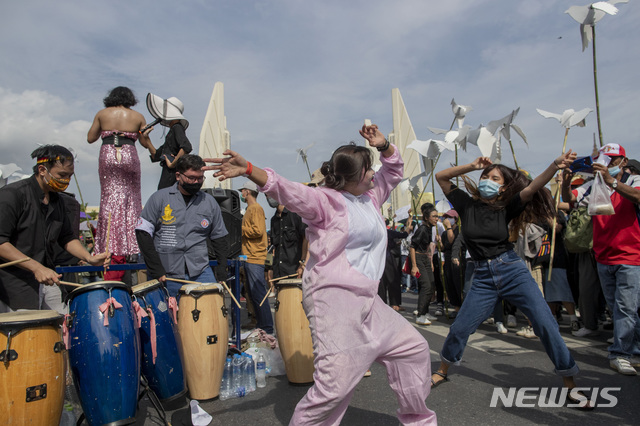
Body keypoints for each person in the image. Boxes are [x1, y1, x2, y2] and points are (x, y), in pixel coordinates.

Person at [204, 124, 436, 425]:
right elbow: (285, 188)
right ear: (354, 176)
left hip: (369, 301)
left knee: (413, 350)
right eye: (369, 169)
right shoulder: (325, 201)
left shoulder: (371, 196)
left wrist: (383, 146)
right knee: (334, 387)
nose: (373, 173)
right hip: (333, 300)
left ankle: (418, 419)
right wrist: (249, 169)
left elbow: (394, 169)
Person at [431, 152, 593, 410]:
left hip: (511, 271)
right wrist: (472, 166)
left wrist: (554, 164)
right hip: (482, 276)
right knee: (461, 328)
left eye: (494, 178)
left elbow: (534, 185)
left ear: (503, 186)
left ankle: (570, 385)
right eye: (485, 176)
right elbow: (441, 176)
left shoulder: (508, 205)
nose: (487, 180)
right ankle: (442, 368)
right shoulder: (465, 203)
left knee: (545, 323)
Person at [0, 145, 110, 311]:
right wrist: (36, 267)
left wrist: (89, 258)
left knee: (62, 324)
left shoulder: (57, 200)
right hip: (13, 283)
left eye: (70, 176)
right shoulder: (12, 195)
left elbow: (66, 237)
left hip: (48, 277)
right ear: (42, 169)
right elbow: (1, 242)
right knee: (28, 333)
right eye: (62, 175)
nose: (66, 180)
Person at [562, 143, 640, 376]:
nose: (605, 163)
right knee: (619, 307)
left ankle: (620, 354)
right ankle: (632, 349)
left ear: (623, 162)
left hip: (631, 255)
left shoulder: (634, 181)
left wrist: (612, 181)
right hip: (603, 255)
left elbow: (637, 196)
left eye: (611, 159)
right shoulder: (592, 185)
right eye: (601, 159)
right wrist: (566, 180)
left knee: (626, 308)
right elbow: (570, 199)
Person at [135, 154, 229, 299]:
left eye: (200, 178)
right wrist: (156, 269)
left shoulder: (209, 202)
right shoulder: (159, 198)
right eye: (191, 178)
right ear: (178, 176)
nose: (196, 182)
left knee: (210, 314)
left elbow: (219, 237)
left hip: (200, 272)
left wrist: (222, 270)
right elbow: (142, 233)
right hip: (167, 274)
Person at [87, 86, 152, 281]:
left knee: (108, 198)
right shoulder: (138, 116)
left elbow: (90, 138)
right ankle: (130, 243)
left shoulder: (102, 113)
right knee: (131, 199)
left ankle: (110, 244)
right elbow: (144, 142)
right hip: (129, 155)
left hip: (107, 154)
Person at [240, 181, 274, 335]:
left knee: (259, 294)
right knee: (254, 294)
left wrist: (241, 227)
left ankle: (267, 327)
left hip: (255, 258)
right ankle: (261, 325)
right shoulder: (250, 209)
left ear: (247, 192)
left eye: (243, 191)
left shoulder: (256, 209)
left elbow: (258, 231)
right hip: (249, 257)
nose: (242, 194)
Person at [144, 94, 193, 190]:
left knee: (165, 196)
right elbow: (156, 155)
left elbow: (186, 146)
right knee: (163, 195)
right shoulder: (172, 132)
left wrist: (173, 163)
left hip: (172, 174)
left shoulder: (177, 127)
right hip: (168, 172)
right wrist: (146, 138)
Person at [410, 203, 439, 325]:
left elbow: (427, 248)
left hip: (426, 259)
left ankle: (426, 312)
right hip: (418, 259)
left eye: (437, 216)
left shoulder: (430, 228)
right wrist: (414, 266)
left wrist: (430, 262)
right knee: (426, 286)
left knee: (431, 285)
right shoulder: (422, 229)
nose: (437, 218)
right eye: (434, 216)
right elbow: (412, 247)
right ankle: (420, 315)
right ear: (427, 217)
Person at [266, 195, 308, 279]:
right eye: (266, 195)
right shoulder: (273, 220)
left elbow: (306, 239)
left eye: (270, 194)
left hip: (294, 272)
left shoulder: (296, 214)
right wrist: (271, 269)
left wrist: (302, 264)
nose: (268, 197)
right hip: (278, 274)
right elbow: (274, 247)